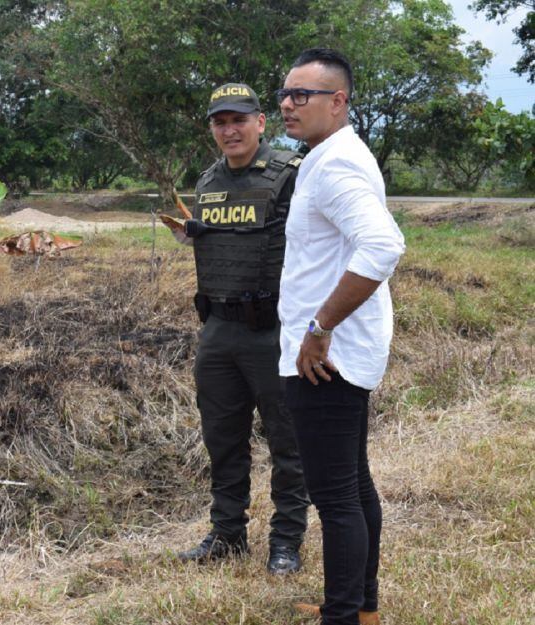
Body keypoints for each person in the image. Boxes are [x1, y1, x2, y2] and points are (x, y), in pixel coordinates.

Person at [276, 48, 405, 625]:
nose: (286, 104)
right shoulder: (326, 157)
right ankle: (358, 607)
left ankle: (345, 615)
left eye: (302, 94)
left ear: (338, 101)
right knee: (352, 485)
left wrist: (320, 328)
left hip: (327, 359)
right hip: (339, 354)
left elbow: (383, 246)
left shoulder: (336, 165)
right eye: (284, 93)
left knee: (336, 497)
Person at [174, 83, 310, 575]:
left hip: (272, 331)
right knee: (222, 439)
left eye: (239, 120)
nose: (229, 130)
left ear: (261, 123)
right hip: (218, 330)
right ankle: (227, 533)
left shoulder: (292, 175)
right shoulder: (208, 182)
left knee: (287, 441)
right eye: (220, 122)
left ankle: (286, 542)